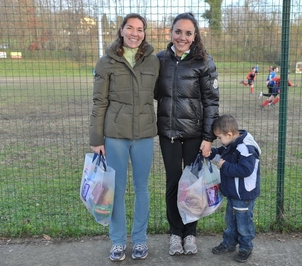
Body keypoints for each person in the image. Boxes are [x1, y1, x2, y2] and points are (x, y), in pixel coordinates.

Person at [89, 13, 160, 262]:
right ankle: (118, 241)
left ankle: (139, 240)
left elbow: (163, 94)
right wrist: (97, 139)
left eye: (140, 29)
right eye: (130, 28)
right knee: (116, 190)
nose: (135, 33)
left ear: (144, 33)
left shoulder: (153, 62)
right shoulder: (105, 62)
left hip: (143, 135)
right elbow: (99, 103)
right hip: (115, 136)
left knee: (142, 189)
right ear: (121, 30)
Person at [154, 12, 219, 256]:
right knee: (173, 183)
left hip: (194, 136)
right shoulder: (159, 60)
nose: (182, 37)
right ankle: (175, 233)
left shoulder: (204, 62)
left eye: (188, 33)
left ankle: (190, 234)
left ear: (195, 36)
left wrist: (208, 137)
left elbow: (211, 102)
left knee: (192, 186)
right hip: (168, 134)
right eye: (178, 31)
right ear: (171, 33)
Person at [208, 114, 261, 263]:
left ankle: (245, 247)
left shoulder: (246, 148)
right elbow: (221, 153)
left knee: (244, 223)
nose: (219, 140)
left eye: (219, 137)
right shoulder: (231, 144)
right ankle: (229, 244)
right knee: (230, 221)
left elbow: (245, 170)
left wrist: (224, 166)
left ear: (229, 134)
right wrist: (210, 153)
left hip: (244, 195)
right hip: (232, 193)